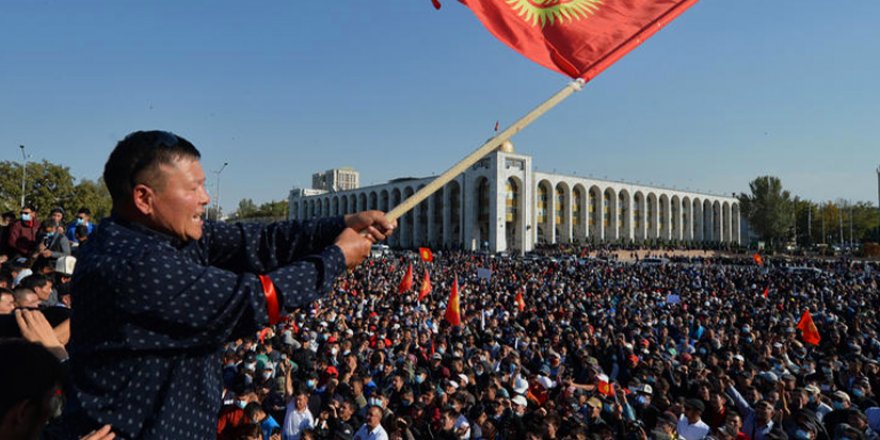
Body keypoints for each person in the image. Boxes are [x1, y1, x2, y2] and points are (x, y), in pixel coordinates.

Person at [56, 130, 394, 439]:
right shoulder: (134, 265)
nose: (205, 197)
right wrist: (337, 258)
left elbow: (263, 242)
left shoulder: (170, 235)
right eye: (193, 189)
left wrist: (342, 223)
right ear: (144, 198)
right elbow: (255, 300)